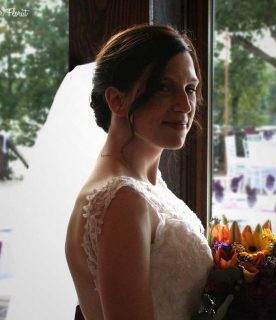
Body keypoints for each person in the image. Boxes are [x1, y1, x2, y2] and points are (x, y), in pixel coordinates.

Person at [65, 24, 213, 320]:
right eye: (163, 87)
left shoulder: (149, 186)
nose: (185, 105)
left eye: (190, 89)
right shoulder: (122, 200)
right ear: (117, 100)